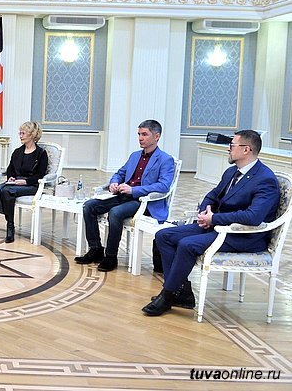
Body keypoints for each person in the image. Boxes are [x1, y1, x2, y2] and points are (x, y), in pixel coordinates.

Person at [143, 130, 280, 316]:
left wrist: (214, 219)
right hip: (218, 227)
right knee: (164, 236)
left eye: (232, 145)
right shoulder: (231, 172)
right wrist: (206, 212)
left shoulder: (265, 179)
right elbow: (212, 195)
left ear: (246, 149)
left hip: (243, 236)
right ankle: (181, 292)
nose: (228, 149)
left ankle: (168, 295)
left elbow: (253, 217)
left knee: (187, 244)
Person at [75, 120, 175, 272]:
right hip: (123, 196)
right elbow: (120, 173)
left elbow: (163, 186)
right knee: (89, 206)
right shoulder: (135, 156)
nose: (140, 138)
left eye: (144, 134)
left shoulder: (165, 159)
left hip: (143, 202)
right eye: (139, 134)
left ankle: (111, 257)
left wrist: (134, 190)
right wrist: (114, 183)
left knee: (115, 212)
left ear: (157, 136)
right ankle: (95, 249)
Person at [0, 121, 48, 243]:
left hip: (31, 185)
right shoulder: (17, 151)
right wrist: (11, 178)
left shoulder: (41, 154)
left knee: (7, 192)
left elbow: (40, 175)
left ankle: (10, 227)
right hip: (15, 183)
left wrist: (25, 182)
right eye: (20, 133)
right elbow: (10, 169)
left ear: (32, 135)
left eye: (23, 133)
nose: (20, 136)